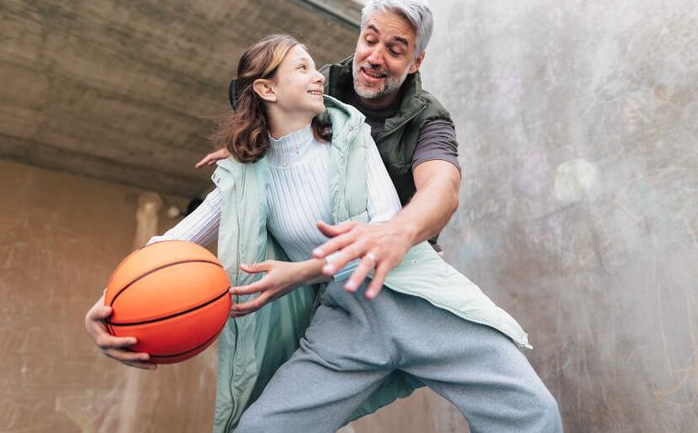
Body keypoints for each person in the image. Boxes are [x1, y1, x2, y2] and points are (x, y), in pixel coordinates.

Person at [87, 34, 562, 432]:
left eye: (315, 67)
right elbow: (170, 247)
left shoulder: (351, 137)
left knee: (532, 414)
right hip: (345, 321)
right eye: (302, 67)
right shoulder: (244, 176)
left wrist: (302, 272)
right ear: (267, 90)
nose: (319, 76)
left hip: (415, 297)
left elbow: (381, 231)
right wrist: (110, 306)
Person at [196, 0, 461, 300]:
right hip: (328, 281)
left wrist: (396, 233)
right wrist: (251, 139)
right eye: (370, 40)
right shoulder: (324, 87)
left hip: (406, 268)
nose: (375, 58)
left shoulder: (430, 119)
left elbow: (441, 190)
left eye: (395, 49)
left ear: (416, 61)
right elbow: (275, 106)